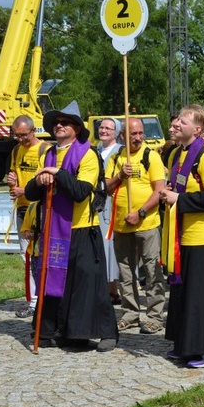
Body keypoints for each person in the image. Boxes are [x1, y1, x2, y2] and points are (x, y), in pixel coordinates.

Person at [24, 100, 119, 351]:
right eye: (56, 122)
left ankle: (103, 332)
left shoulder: (88, 154)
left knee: (88, 284)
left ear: (76, 128)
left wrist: (56, 173)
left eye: (65, 122)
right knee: (54, 282)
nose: (58, 126)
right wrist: (40, 178)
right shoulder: (47, 153)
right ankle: (52, 331)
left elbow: (79, 192)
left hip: (81, 228)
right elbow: (32, 193)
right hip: (53, 230)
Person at [161, 104, 204, 368]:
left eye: (183, 121)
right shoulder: (175, 155)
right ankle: (186, 345)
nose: (176, 124)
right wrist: (168, 193)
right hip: (182, 236)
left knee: (202, 297)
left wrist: (178, 197)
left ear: (198, 129)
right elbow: (177, 186)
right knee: (185, 296)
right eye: (177, 120)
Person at [105, 117, 166, 334]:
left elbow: (160, 190)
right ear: (123, 136)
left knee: (151, 270)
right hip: (122, 226)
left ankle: (155, 315)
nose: (139, 137)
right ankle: (130, 313)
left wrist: (140, 213)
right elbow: (106, 187)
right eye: (134, 134)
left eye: (141, 133)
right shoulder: (116, 158)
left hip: (147, 223)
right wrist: (121, 175)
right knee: (125, 272)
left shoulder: (151, 157)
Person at [8, 115, 49, 318]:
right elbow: (14, 176)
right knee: (27, 257)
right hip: (23, 210)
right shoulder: (16, 150)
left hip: (40, 209)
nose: (20, 139)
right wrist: (11, 181)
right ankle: (32, 301)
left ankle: (44, 299)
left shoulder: (44, 150)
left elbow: (46, 182)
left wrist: (24, 190)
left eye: (24, 135)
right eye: (17, 136)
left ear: (33, 131)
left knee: (43, 256)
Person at [96, 118, 123, 305]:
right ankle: (106, 287)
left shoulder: (119, 152)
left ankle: (112, 288)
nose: (103, 130)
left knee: (111, 245)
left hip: (112, 203)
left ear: (116, 132)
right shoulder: (94, 150)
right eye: (102, 127)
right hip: (96, 204)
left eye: (108, 128)